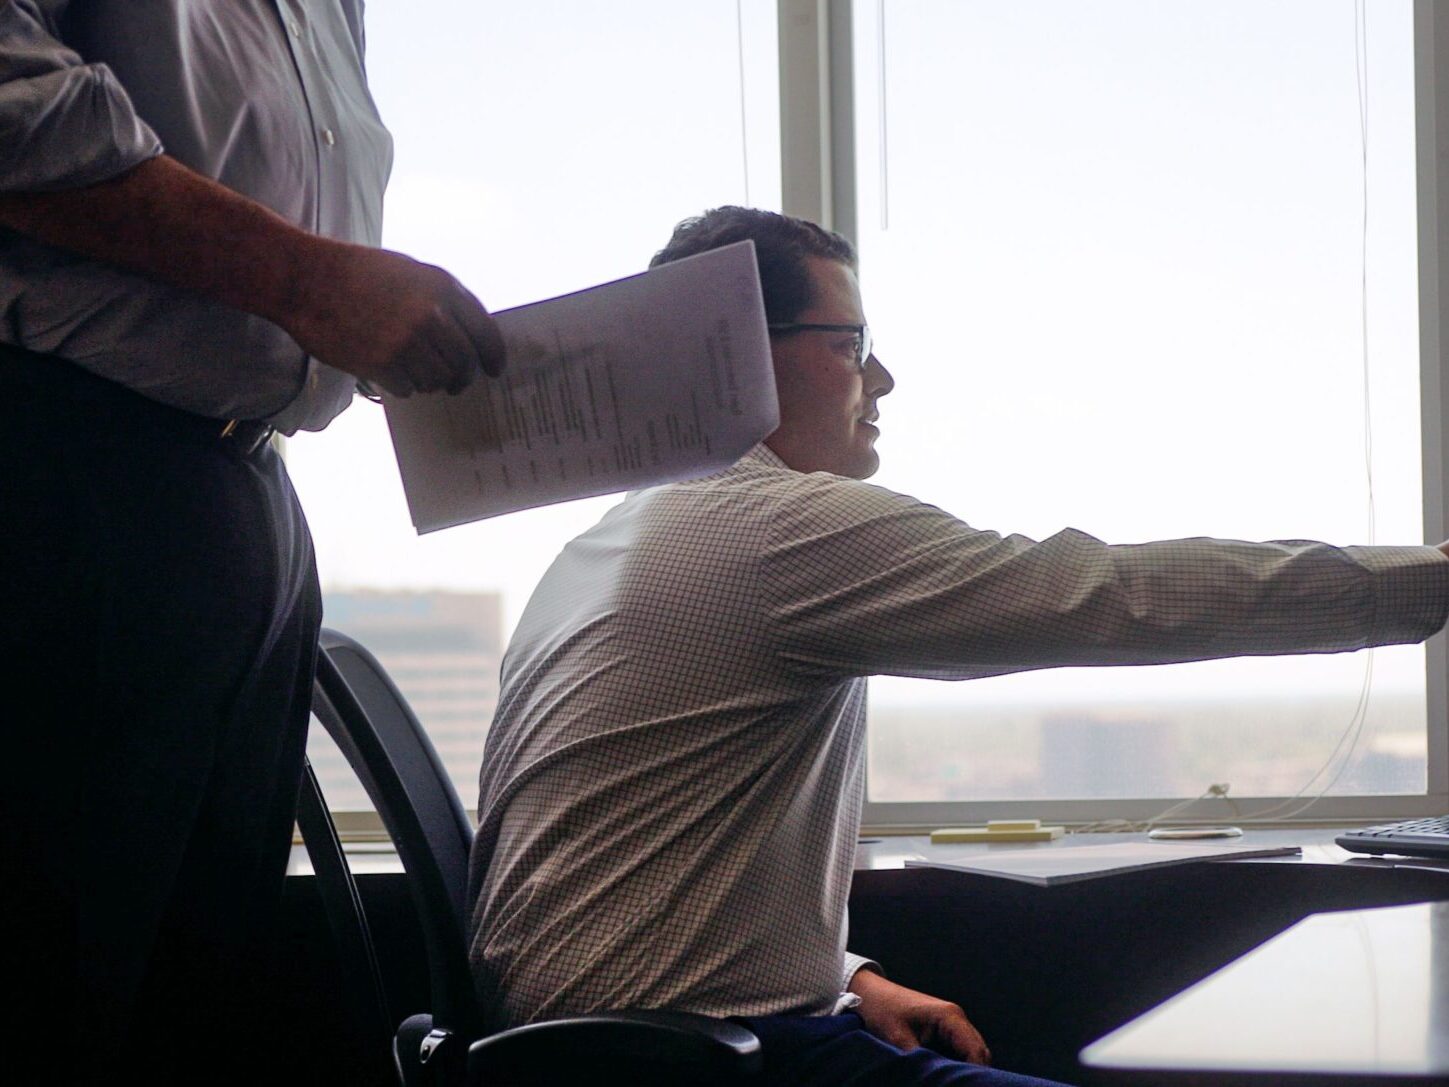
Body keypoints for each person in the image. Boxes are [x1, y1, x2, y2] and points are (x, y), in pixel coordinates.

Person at [466, 205, 1449, 1085]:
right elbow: (1113, 595)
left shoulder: (608, 543)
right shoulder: (774, 527)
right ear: (740, 354)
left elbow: (626, 883)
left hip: (623, 1042)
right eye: (851, 342)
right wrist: (1430, 580)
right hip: (697, 1063)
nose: (881, 377)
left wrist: (845, 977)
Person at [0, 4, 505, 1081]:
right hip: (75, 458)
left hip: (250, 483)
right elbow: (14, 106)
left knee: (199, 991)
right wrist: (310, 282)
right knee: (57, 984)